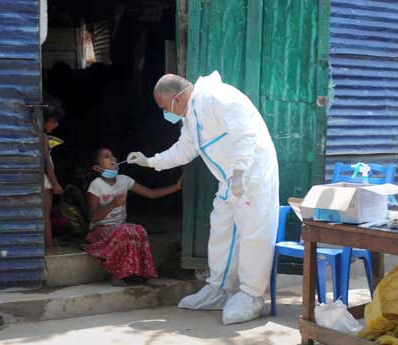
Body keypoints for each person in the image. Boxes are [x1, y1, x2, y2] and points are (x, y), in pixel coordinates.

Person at [126, 71, 279, 325]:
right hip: (229, 179)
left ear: (177, 97)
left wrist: (241, 170)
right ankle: (219, 289)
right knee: (221, 229)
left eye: (164, 106)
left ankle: (251, 295)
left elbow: (246, 134)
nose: (165, 112)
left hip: (252, 175)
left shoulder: (219, 97)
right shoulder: (191, 114)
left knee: (253, 234)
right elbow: (184, 150)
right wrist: (150, 161)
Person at [86, 148, 182, 285]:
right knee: (125, 231)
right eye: (107, 157)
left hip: (119, 228)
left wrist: (176, 187)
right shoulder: (96, 186)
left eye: (113, 155)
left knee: (139, 230)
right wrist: (113, 204)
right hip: (99, 230)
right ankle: (116, 275)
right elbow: (93, 217)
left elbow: (151, 194)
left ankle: (138, 273)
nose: (113, 158)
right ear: (97, 167)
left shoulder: (124, 180)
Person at [42, 95, 65, 249]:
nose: (56, 125)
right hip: (44, 183)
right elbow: (47, 163)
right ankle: (48, 248)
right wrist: (55, 184)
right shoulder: (42, 138)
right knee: (45, 217)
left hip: (41, 181)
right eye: (54, 121)